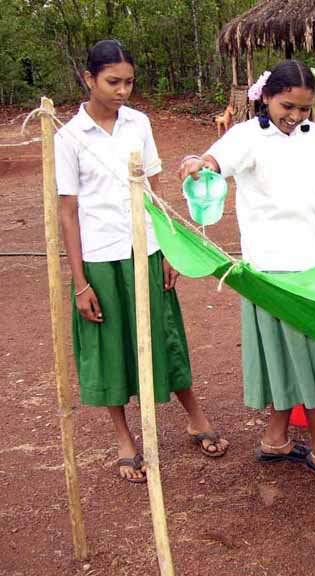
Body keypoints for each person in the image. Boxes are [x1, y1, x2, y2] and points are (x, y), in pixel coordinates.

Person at [179, 60, 315, 481]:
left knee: (300, 359)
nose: (295, 116)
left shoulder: (314, 137)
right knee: (304, 362)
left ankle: (276, 438)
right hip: (270, 275)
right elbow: (210, 160)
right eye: (287, 106)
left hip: (312, 268)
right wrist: (195, 162)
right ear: (265, 97)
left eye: (304, 108)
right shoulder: (246, 138)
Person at [56, 39, 229, 484]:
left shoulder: (139, 124)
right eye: (113, 82)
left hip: (146, 251)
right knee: (109, 345)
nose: (122, 91)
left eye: (129, 82)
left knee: (164, 333)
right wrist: (80, 282)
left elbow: (154, 191)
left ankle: (195, 417)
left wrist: (167, 247)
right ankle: (123, 438)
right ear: (89, 79)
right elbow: (68, 213)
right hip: (100, 259)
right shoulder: (69, 136)